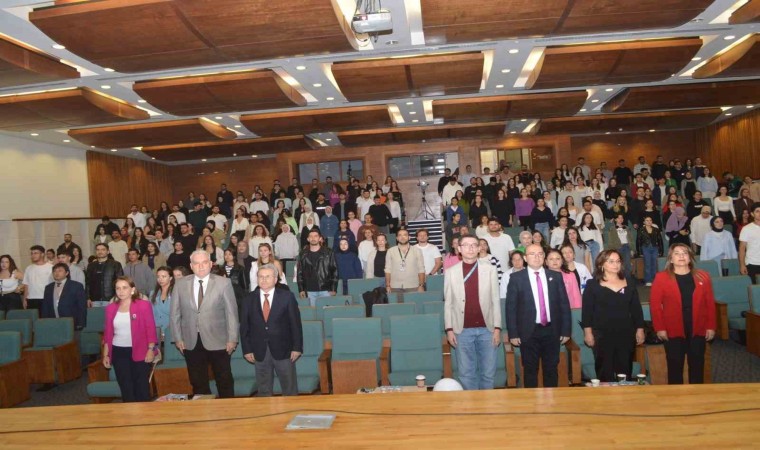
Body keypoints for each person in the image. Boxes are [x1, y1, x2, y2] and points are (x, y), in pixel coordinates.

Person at [170, 251, 239, 398]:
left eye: (204, 262)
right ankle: (203, 410)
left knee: (224, 379)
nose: (201, 266)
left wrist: (232, 338)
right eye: (197, 263)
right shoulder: (180, 284)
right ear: (191, 266)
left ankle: (228, 409)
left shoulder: (223, 283)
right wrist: (177, 338)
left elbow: (231, 313)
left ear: (211, 264)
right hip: (191, 340)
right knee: (197, 381)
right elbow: (175, 313)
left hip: (219, 340)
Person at [506, 244, 571, 388]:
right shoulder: (516, 278)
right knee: (530, 370)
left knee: (551, 369)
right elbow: (511, 308)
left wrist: (566, 331)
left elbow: (564, 305)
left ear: (544, 257)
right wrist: (513, 333)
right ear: (525, 258)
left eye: (540, 254)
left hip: (552, 330)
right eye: (532, 254)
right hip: (528, 331)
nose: (537, 257)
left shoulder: (555, 276)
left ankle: (551, 400)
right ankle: (532, 401)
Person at [650, 244, 716, 384]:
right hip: (673, 330)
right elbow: (655, 306)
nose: (681, 256)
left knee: (697, 366)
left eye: (685, 253)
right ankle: (675, 396)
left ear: (690, 257)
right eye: (677, 253)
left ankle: (696, 395)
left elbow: (709, 303)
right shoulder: (661, 278)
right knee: (675, 367)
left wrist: (711, 326)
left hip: (698, 328)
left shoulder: (703, 276)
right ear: (671, 259)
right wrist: (660, 328)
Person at [444, 235, 501, 390]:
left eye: (474, 245)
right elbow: (448, 303)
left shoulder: (490, 269)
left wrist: (497, 328)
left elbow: (495, 301)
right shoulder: (451, 272)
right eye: (466, 245)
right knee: (466, 374)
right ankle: (471, 404)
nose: (470, 248)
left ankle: (487, 404)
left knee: (488, 373)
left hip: (487, 329)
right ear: (459, 249)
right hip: (461, 330)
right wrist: (449, 329)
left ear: (479, 248)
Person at [581, 250, 645, 382]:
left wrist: (640, 329)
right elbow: (587, 312)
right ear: (601, 264)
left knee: (625, 370)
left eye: (618, 261)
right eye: (611, 261)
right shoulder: (592, 284)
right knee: (605, 370)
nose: (615, 265)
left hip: (626, 333)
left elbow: (636, 309)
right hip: (602, 334)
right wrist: (588, 333)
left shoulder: (629, 282)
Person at [241, 264, 303, 396]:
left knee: (289, 389)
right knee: (264, 390)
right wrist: (247, 349)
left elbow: (295, 324)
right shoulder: (248, 299)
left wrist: (297, 348)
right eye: (261, 277)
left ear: (275, 279)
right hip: (259, 351)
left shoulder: (287, 297)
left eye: (267, 276)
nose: (264, 280)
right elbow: (244, 327)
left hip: (284, 350)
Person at [103, 276, 159, 402]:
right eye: (118, 288)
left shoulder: (143, 305)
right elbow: (108, 334)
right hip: (118, 352)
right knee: (126, 388)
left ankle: (144, 413)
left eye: (124, 288)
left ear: (132, 289)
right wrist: (106, 355)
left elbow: (150, 329)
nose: (121, 291)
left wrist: (151, 349)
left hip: (140, 351)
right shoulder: (110, 308)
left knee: (141, 388)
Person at [296, 229, 338, 306]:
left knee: (326, 313)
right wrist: (301, 289)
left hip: (325, 290)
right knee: (313, 313)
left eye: (315, 236)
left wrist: (333, 289)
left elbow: (334, 271)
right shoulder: (303, 254)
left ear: (320, 238)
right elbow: (299, 272)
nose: (313, 238)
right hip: (309, 291)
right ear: (308, 239)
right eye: (311, 236)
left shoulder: (329, 252)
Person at [41, 263, 86, 331]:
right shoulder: (48, 287)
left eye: (60, 270)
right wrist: (45, 322)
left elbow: (81, 306)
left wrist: (81, 323)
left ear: (67, 273)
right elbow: (45, 306)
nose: (57, 273)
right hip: (53, 323)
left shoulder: (76, 286)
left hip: (72, 323)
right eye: (54, 271)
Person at [385, 228, 425, 301]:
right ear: (397, 238)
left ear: (409, 237)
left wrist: (421, 285)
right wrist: (388, 285)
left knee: (413, 307)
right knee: (398, 307)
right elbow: (388, 269)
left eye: (405, 235)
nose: (402, 237)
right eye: (400, 235)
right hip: (395, 286)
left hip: (413, 286)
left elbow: (421, 269)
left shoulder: (417, 251)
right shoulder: (390, 251)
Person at [22, 245, 53, 311]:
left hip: (45, 298)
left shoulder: (50, 267)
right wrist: (24, 299)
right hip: (31, 299)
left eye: (35, 253)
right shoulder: (28, 268)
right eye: (32, 253)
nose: (33, 255)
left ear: (42, 254)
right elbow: (26, 285)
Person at [636, 216, 664, 286]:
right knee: (647, 264)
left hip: (655, 248)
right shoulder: (641, 230)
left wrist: (661, 251)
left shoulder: (656, 230)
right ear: (644, 222)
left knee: (654, 264)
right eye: (647, 220)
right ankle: (648, 280)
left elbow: (660, 241)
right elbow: (638, 241)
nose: (649, 222)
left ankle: (654, 280)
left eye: (650, 220)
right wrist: (639, 252)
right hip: (645, 248)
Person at [150, 266, 174, 338]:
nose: (160, 279)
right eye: (158, 276)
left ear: (170, 278)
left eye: (164, 276)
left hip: (171, 331)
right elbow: (150, 314)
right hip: (156, 330)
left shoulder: (175, 293)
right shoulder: (153, 293)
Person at [739, 203, 760, 283]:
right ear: (752, 214)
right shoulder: (746, 229)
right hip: (752, 263)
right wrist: (742, 265)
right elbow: (742, 248)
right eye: (757, 211)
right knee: (755, 289)